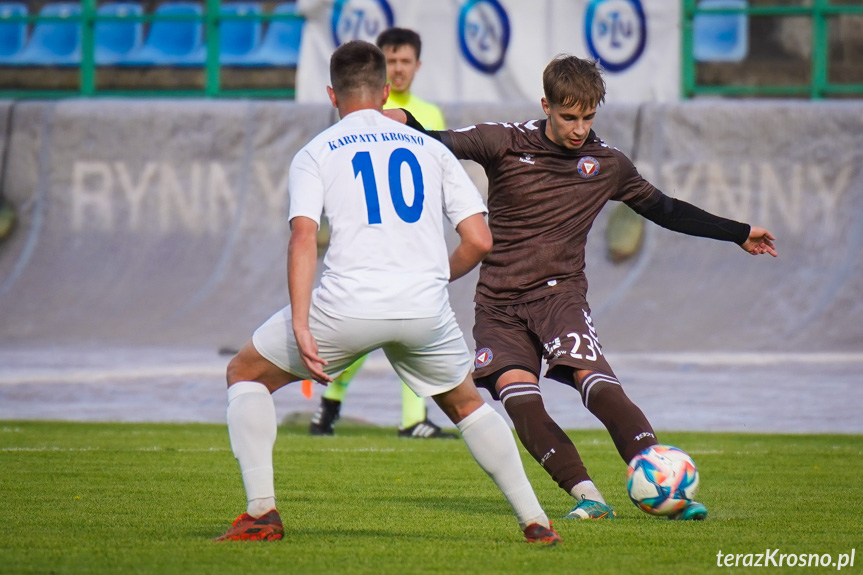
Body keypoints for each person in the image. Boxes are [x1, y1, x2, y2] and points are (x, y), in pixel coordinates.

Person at [392, 54, 778, 521]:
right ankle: (589, 498)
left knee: (595, 382)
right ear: (546, 105)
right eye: (569, 116)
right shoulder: (504, 141)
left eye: (589, 116)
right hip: (497, 303)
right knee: (520, 400)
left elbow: (668, 210)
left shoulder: (608, 164)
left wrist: (738, 232)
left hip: (560, 296)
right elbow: (435, 143)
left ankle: (662, 479)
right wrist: (397, 118)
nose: (579, 128)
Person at [216, 40, 561, 544]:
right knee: (466, 405)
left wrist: (299, 321)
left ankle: (261, 514)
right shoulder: (430, 147)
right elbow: (480, 240)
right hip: (423, 307)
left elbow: (304, 237)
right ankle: (536, 522)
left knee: (244, 373)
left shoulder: (316, 152)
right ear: (385, 92)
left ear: (332, 94)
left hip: (347, 304)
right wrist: (432, 278)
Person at [310, 28, 451, 439]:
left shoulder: (430, 113)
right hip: (370, 238)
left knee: (408, 331)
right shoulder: (357, 115)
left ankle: (412, 419)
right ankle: (331, 401)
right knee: (369, 331)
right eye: (392, 61)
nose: (400, 68)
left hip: (412, 238)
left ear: (417, 66)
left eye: (406, 61)